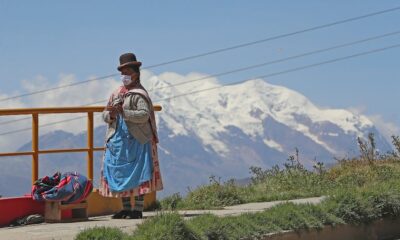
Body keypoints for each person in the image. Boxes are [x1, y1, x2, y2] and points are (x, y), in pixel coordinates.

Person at [99, 53, 163, 219]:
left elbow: (143, 115)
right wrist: (111, 115)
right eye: (122, 72)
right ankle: (126, 208)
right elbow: (105, 114)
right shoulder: (116, 93)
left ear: (135, 73)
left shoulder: (139, 94)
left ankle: (138, 209)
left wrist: (124, 112)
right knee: (121, 172)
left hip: (138, 140)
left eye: (127, 71)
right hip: (119, 140)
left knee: (138, 172)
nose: (124, 76)